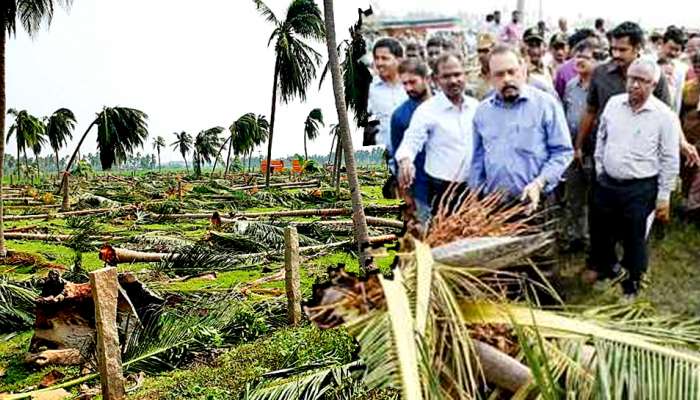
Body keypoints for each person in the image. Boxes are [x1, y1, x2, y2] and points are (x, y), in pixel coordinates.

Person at [589, 58, 681, 299]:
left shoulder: (665, 116)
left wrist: (664, 196)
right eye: (631, 78)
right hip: (607, 182)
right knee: (602, 233)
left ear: (654, 84)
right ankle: (609, 271)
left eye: (642, 81)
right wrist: (600, 166)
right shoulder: (613, 104)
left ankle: (632, 283)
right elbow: (602, 136)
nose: (634, 85)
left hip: (640, 188)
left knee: (634, 237)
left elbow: (670, 158)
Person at [470, 45, 573, 213]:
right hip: (495, 207)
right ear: (490, 77)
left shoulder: (546, 104)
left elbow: (562, 152)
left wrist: (539, 183)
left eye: (512, 72)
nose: (507, 79)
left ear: (523, 70)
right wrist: (475, 198)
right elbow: (478, 159)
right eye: (499, 74)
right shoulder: (482, 111)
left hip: (537, 203)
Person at [396, 52, 479, 212]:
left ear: (465, 75)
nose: (453, 80)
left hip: (473, 187)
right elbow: (411, 141)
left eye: (457, 74)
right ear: (435, 79)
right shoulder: (427, 111)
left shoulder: (476, 107)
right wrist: (405, 160)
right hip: (442, 189)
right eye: (446, 76)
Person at [562, 40, 601, 250]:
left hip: (594, 150)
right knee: (573, 195)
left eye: (585, 57)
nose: (579, 61)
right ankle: (572, 236)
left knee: (594, 197)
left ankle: (590, 239)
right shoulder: (570, 86)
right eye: (577, 56)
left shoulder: (601, 87)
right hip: (572, 149)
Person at [390, 59, 432, 224]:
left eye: (413, 82)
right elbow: (397, 157)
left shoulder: (445, 105)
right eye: (404, 83)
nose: (408, 88)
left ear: (426, 79)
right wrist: (405, 194)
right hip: (421, 190)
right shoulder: (400, 116)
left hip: (451, 185)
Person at [368, 38, 407, 153]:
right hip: (382, 158)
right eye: (376, 58)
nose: (379, 63)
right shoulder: (369, 89)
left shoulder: (410, 87)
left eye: (385, 58)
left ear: (399, 60)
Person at [554, 29, 602, 99]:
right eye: (578, 57)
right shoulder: (569, 84)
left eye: (585, 57)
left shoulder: (604, 81)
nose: (580, 60)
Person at [680, 53, 700, 221]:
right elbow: (680, 112)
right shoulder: (687, 88)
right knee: (687, 172)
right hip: (688, 139)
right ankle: (687, 205)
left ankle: (694, 208)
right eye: (697, 67)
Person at [658, 26, 688, 113]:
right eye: (671, 48)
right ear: (663, 44)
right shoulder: (647, 62)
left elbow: (677, 98)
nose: (673, 53)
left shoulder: (681, 69)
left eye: (677, 50)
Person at [522, 27, 558, 97]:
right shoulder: (519, 71)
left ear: (544, 47)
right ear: (523, 47)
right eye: (531, 45)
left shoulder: (549, 70)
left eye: (538, 45)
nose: (535, 51)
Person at [466, 33, 495, 100]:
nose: (481, 55)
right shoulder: (471, 76)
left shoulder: (502, 74)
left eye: (485, 51)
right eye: (479, 51)